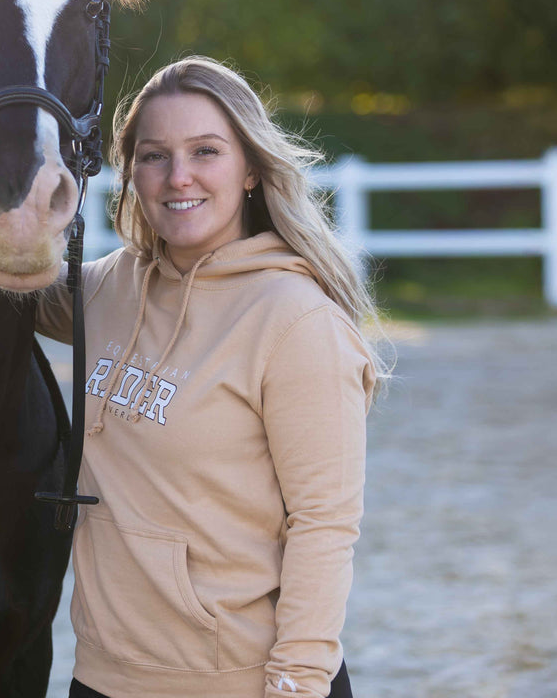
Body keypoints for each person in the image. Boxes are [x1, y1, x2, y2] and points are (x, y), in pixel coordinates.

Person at [37, 57, 388, 698]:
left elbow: (324, 522)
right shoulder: (114, 286)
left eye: (206, 151)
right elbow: (1, 279)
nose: (179, 177)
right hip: (103, 676)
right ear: (131, 172)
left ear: (251, 168)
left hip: (238, 683)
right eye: (153, 156)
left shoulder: (296, 321)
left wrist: (298, 683)